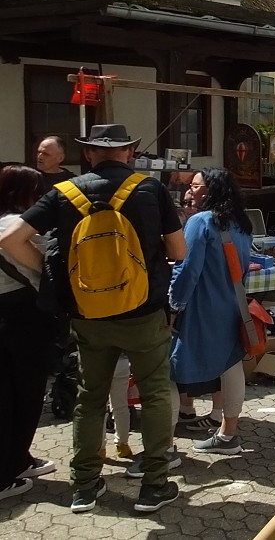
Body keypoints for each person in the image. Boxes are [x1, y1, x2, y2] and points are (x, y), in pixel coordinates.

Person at [0, 124, 186, 514]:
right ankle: (154, 485)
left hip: (87, 314)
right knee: (153, 395)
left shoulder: (64, 193)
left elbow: (10, 239)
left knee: (90, 398)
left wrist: (54, 276)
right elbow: (179, 250)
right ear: (129, 152)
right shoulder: (149, 189)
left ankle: (84, 486)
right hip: (143, 311)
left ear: (88, 154)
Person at [169, 169, 252, 456]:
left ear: (212, 190)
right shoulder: (241, 223)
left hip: (203, 306)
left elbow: (187, 269)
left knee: (169, 370)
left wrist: (174, 304)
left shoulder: (200, 222)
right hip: (233, 305)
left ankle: (163, 448)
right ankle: (228, 434)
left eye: (197, 186)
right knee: (231, 366)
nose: (192, 191)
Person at [0, 165, 54, 503]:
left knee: (8, 392)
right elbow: (49, 260)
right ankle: (7, 472)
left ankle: (18, 459)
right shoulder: (18, 227)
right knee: (26, 393)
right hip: (22, 316)